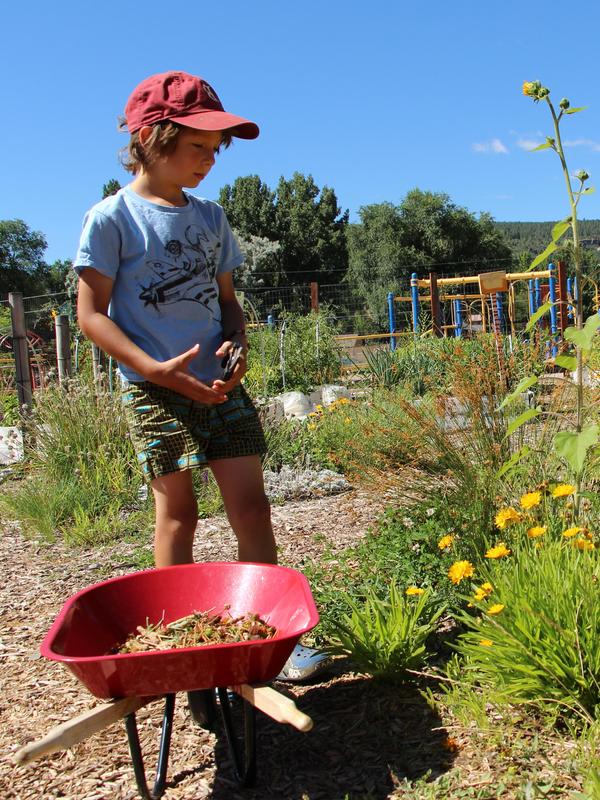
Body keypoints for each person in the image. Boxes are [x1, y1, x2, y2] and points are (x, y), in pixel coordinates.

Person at [74, 70, 330, 683]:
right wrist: (151, 369)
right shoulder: (113, 219)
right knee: (178, 514)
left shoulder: (212, 219)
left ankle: (273, 638)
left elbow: (228, 301)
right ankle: (174, 643)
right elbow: (91, 315)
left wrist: (239, 341)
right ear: (153, 139)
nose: (209, 163)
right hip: (156, 392)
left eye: (216, 153)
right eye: (197, 149)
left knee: (252, 504)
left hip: (221, 388)